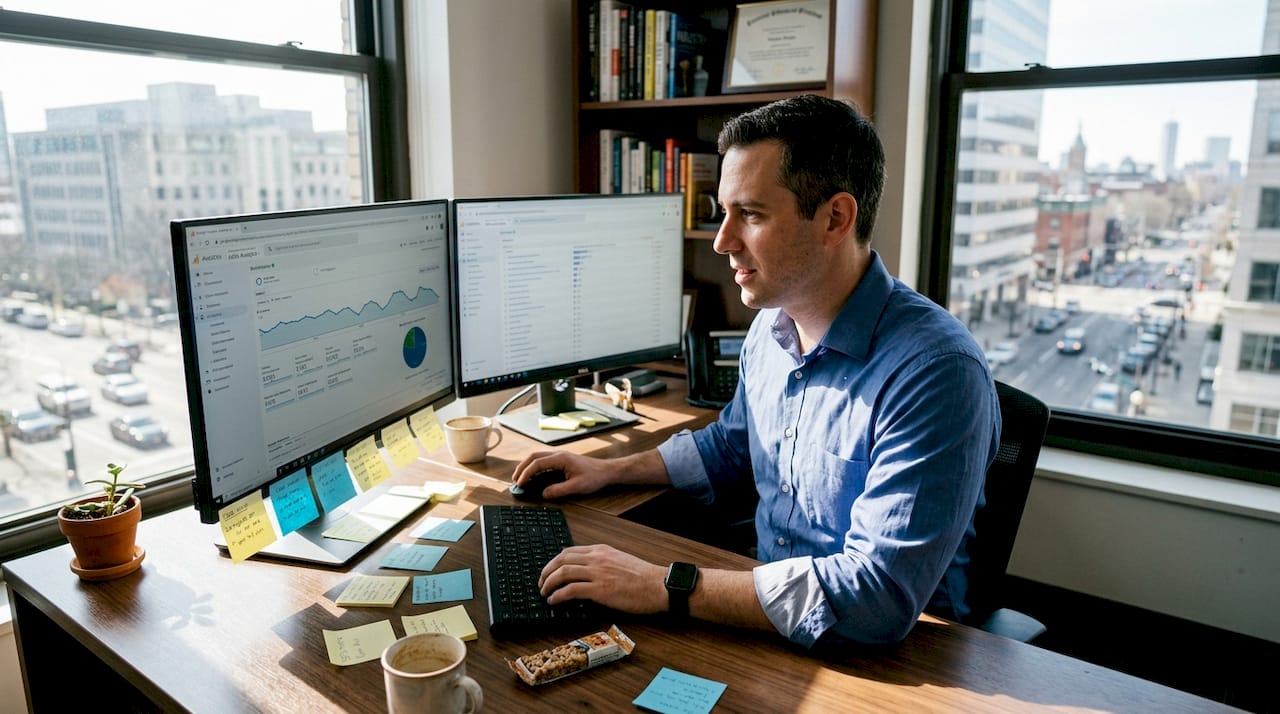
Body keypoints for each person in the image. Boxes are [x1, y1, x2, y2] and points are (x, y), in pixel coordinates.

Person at [513, 95, 1001, 648]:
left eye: (750, 214)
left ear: (835, 218)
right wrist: (610, 470)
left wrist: (664, 584)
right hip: (762, 618)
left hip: (895, 660)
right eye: (724, 213)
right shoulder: (772, 326)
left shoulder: (935, 371)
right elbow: (734, 445)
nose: (723, 241)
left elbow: (876, 597)